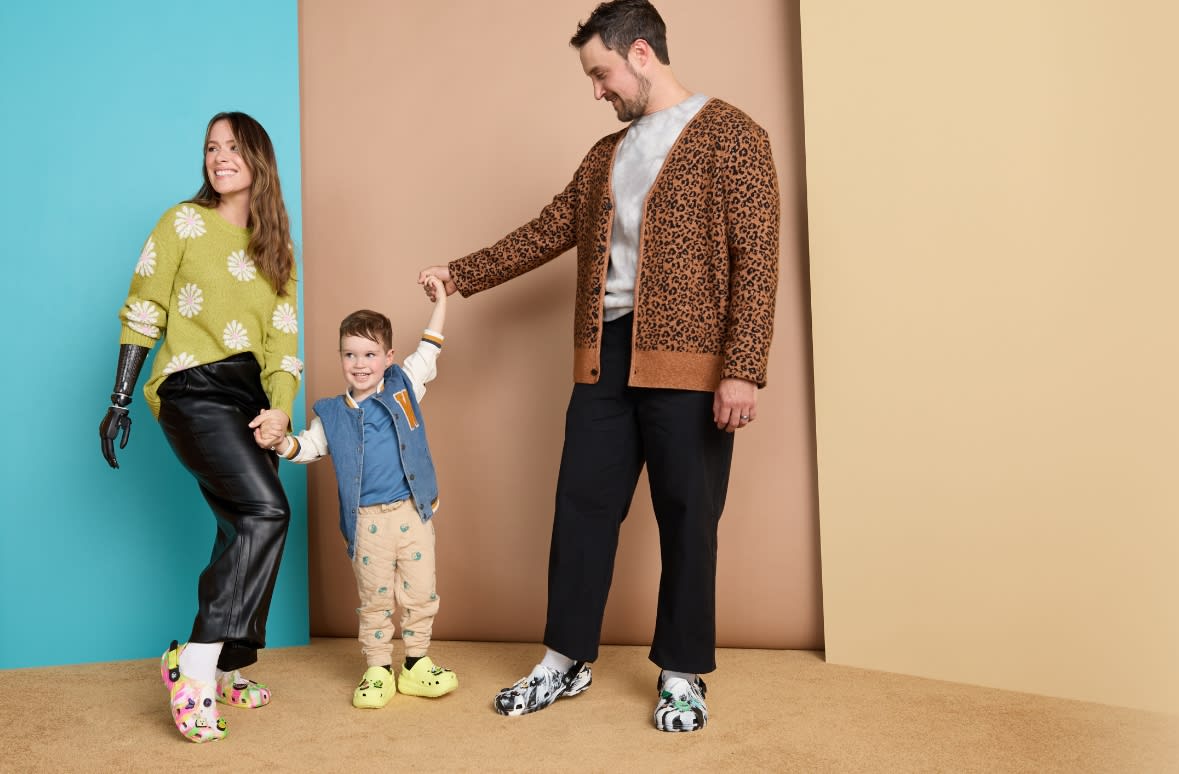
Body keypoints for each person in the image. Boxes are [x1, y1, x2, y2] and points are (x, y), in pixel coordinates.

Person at [418, 0, 779, 733]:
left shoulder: (733, 136)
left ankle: (681, 674)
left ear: (641, 54)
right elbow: (548, 229)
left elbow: (758, 258)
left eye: (601, 73)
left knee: (687, 518)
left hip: (694, 364)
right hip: (604, 360)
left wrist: (741, 367)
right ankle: (565, 659)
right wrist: (462, 273)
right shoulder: (604, 156)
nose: (597, 91)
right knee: (580, 509)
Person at [99, 111, 300, 743]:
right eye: (211, 147)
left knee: (238, 525)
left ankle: (227, 665)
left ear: (258, 159)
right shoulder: (182, 222)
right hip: (191, 388)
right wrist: (121, 399)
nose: (220, 157)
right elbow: (145, 305)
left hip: (248, 398)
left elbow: (283, 345)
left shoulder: (278, 251)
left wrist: (282, 407)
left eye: (233, 147)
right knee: (266, 511)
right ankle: (197, 664)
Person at [256, 279, 458, 709]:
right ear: (341, 358)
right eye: (350, 355)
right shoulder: (330, 413)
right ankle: (378, 668)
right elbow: (307, 448)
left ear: (387, 357)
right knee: (375, 599)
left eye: (370, 355)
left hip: (412, 512)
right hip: (367, 522)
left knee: (422, 592)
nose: (360, 364)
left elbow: (430, 346)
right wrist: (279, 442)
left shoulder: (405, 384)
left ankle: (417, 663)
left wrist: (441, 300)